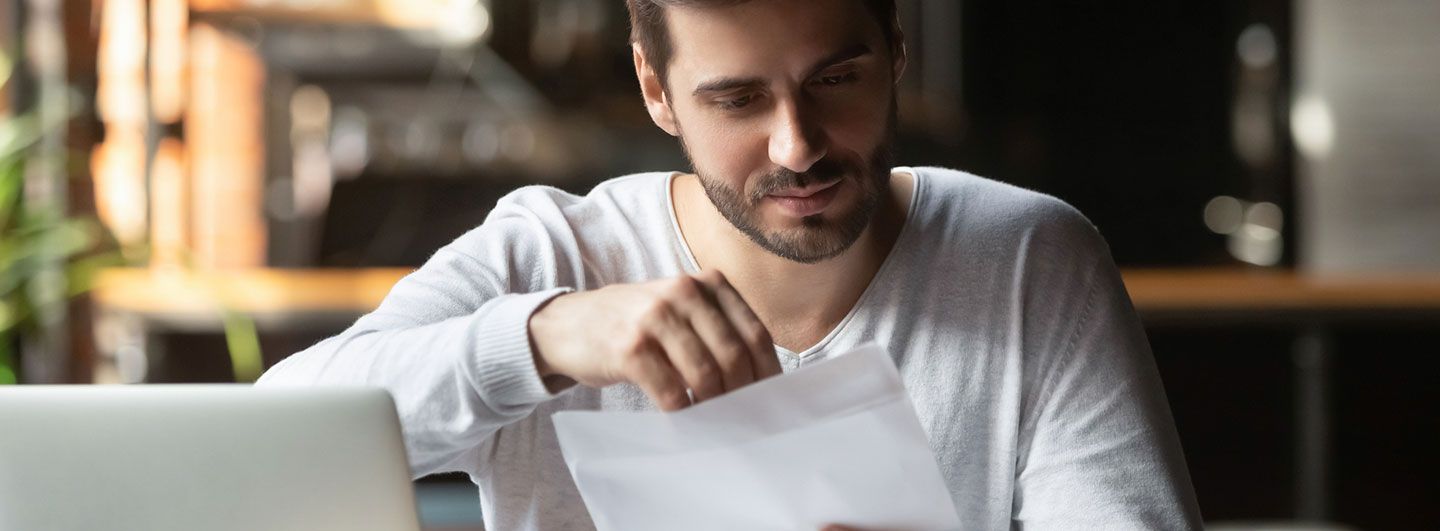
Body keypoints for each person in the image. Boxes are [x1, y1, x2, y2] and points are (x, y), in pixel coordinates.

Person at [257, 0, 1202, 528]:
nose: (797, 146)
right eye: (739, 99)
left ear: (897, 51)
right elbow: (278, 440)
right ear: (657, 90)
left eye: (835, 81)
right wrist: (546, 334)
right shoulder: (551, 249)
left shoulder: (1031, 257)